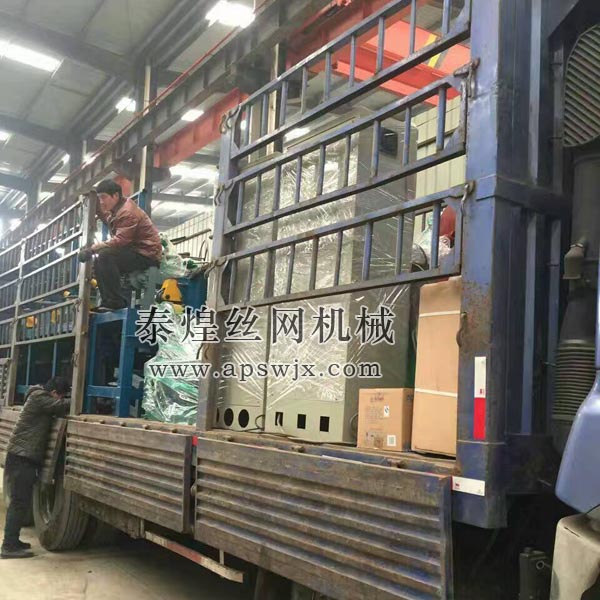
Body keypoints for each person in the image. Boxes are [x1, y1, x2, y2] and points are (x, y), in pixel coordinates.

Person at [1, 377, 71, 559]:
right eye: (61, 395)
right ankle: (8, 546)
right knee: (19, 502)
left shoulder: (38, 397)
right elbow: (62, 406)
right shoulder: (39, 398)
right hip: (22, 458)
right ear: (54, 393)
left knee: (20, 501)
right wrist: (75, 399)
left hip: (22, 457)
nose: (61, 399)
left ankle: (13, 541)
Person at [79, 179, 162, 312]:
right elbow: (108, 219)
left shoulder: (128, 212)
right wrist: (96, 208)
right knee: (101, 258)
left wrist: (93, 249)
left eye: (103, 197)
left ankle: (115, 301)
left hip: (147, 255)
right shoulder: (116, 210)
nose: (101, 202)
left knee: (105, 256)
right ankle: (108, 301)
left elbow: (121, 240)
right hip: (134, 251)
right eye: (99, 198)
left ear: (116, 195)